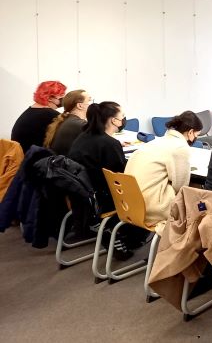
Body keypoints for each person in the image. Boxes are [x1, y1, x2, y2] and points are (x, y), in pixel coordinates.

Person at [68, 101, 146, 259]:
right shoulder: (109, 143)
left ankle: (118, 234)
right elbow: (121, 176)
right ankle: (128, 238)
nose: (124, 119)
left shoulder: (84, 136)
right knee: (148, 193)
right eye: (122, 116)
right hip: (102, 199)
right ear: (113, 120)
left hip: (84, 196)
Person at [125, 111, 203, 227]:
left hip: (129, 204)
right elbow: (181, 187)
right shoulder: (180, 147)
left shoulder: (158, 141)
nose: (196, 138)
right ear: (190, 132)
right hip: (152, 208)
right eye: (197, 135)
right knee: (201, 201)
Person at [11, 80, 66, 153]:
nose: (64, 98)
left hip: (22, 157)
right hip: (33, 159)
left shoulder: (30, 110)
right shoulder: (51, 115)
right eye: (61, 96)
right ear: (49, 98)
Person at [44, 89, 92, 155]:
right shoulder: (80, 125)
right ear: (80, 106)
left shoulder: (66, 120)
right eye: (89, 101)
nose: (93, 105)